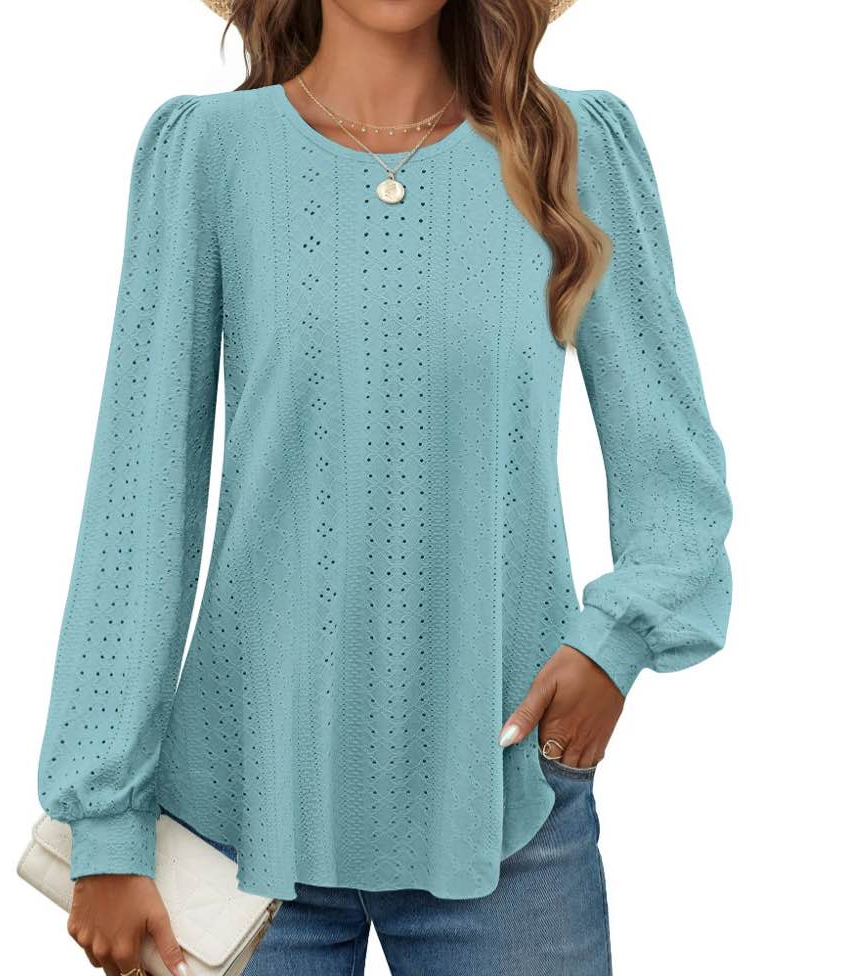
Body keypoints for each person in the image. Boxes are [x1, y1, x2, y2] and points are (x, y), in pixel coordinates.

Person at [36, 0, 733, 973]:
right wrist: (105, 822)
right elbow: (138, 499)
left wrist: (616, 641)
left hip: (506, 805)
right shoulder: (209, 152)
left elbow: (672, 468)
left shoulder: (571, 145)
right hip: (238, 822)